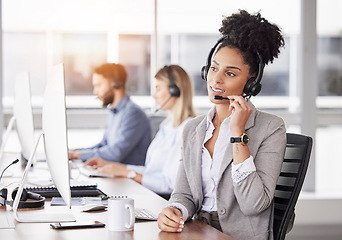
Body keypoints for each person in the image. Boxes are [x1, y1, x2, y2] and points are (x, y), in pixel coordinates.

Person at [157, 10, 286, 240]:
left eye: (230, 73)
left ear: (251, 82)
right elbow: (184, 194)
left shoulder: (271, 128)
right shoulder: (194, 129)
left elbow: (254, 204)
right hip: (197, 231)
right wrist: (176, 210)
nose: (216, 79)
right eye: (214, 68)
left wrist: (238, 134)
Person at [84, 65, 196, 196]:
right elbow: (150, 172)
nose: (154, 96)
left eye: (158, 89)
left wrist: (128, 173)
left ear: (174, 90)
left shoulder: (188, 129)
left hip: (164, 201)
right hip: (151, 193)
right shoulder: (167, 125)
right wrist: (116, 167)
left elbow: (169, 185)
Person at [68, 63, 151, 166]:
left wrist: (77, 155)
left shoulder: (133, 114)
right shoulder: (115, 112)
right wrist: (75, 152)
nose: (95, 91)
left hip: (129, 180)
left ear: (115, 83)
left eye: (99, 85)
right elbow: (103, 145)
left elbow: (115, 153)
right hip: (114, 175)